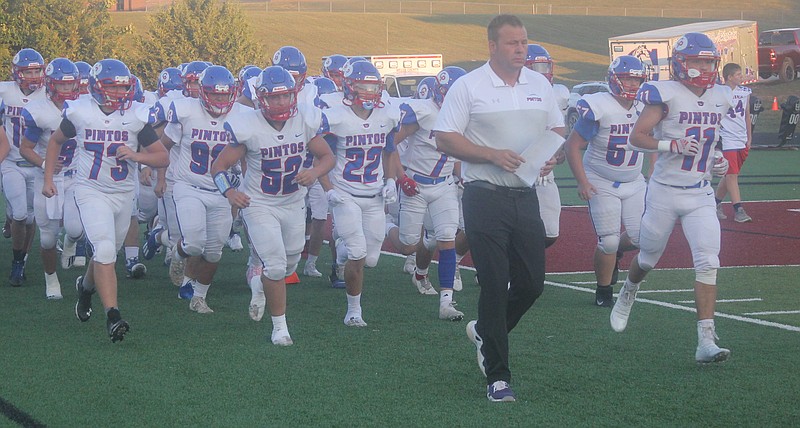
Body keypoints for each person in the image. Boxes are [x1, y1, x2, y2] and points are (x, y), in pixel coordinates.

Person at [434, 14, 565, 402]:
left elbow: (557, 131)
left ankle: (485, 333)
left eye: (524, 42)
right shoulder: (469, 86)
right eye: (512, 43)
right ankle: (498, 378)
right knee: (494, 282)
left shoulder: (540, 85)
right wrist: (490, 155)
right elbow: (444, 139)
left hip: (526, 195)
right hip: (484, 196)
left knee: (531, 284)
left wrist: (550, 155)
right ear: (492, 46)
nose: (521, 49)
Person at [610, 33, 733, 363]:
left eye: (709, 61)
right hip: (664, 191)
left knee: (708, 261)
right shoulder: (664, 94)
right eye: (697, 61)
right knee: (648, 257)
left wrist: (716, 160)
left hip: (700, 193)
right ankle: (629, 290)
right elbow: (637, 138)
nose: (704, 67)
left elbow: (711, 142)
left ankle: (705, 340)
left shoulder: (722, 95)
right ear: (681, 63)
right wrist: (669, 145)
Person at [42, 58, 169, 343]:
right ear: (98, 87)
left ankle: (86, 289)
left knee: (106, 254)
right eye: (113, 87)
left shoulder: (136, 116)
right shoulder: (80, 112)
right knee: (105, 248)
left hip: (123, 193)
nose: (119, 93)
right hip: (90, 190)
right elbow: (55, 141)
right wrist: (48, 178)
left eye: (123, 88)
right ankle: (113, 316)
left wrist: (137, 156)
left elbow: (163, 156)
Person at [214, 66, 334, 344]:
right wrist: (230, 193)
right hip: (259, 204)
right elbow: (218, 167)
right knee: (277, 265)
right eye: (274, 97)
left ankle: (259, 284)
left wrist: (315, 173)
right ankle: (280, 327)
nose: (281, 103)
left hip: (293, 203)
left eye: (286, 96)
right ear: (261, 98)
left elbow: (327, 157)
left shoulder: (305, 119)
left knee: (289, 263)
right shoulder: (249, 125)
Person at [313, 60, 402, 327]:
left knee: (371, 259)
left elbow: (388, 150)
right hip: (346, 194)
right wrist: (328, 190)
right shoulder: (334, 116)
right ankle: (354, 310)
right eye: (362, 86)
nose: (368, 92)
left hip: (374, 195)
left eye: (373, 86)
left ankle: (340, 254)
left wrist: (390, 181)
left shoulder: (387, 114)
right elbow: (322, 157)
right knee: (358, 253)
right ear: (349, 87)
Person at [564, 55, 649, 307]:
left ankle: (617, 254)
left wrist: (653, 172)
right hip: (601, 178)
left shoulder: (646, 107)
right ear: (613, 79)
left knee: (641, 238)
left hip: (634, 180)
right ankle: (603, 291)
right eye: (626, 78)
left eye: (636, 79)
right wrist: (582, 182)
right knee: (608, 240)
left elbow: (653, 139)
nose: (632, 84)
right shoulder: (598, 107)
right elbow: (572, 147)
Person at [384, 66, 467, 320]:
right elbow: (390, 143)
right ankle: (387, 226)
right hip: (416, 184)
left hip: (444, 185)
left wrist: (460, 174)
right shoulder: (422, 111)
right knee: (409, 246)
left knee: (446, 237)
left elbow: (453, 152)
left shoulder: (464, 116)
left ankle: (446, 303)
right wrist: (400, 177)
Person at [160, 65, 244, 313]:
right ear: (204, 93)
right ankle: (178, 254)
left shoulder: (241, 115)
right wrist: (153, 171)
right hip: (189, 186)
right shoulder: (186, 111)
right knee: (194, 243)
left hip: (222, 191)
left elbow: (249, 152)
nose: (220, 99)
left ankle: (199, 297)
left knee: (215, 251)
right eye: (215, 94)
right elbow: (163, 145)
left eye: (225, 94)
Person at [19, 57, 82, 299]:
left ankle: (70, 245)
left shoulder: (83, 106)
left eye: (70, 85)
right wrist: (46, 164)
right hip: (47, 176)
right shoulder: (38, 110)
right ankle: (51, 279)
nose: (67, 90)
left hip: (76, 175)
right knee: (47, 237)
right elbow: (26, 148)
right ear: (51, 84)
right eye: (62, 85)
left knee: (76, 229)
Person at [0, 48, 47, 286]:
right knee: (20, 214)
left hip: (38, 165)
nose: (33, 75)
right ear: (16, 72)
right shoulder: (4, 91)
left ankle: (22, 259)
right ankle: (17, 260)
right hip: (12, 164)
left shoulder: (48, 94)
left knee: (30, 217)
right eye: (28, 71)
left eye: (37, 70)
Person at [715, 63, 753, 223]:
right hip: (726, 138)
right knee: (731, 175)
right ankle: (739, 209)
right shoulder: (717, 92)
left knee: (731, 174)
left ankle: (714, 203)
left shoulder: (745, 92)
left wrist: (749, 137)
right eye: (737, 74)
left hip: (741, 138)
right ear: (729, 77)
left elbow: (746, 115)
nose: (741, 77)